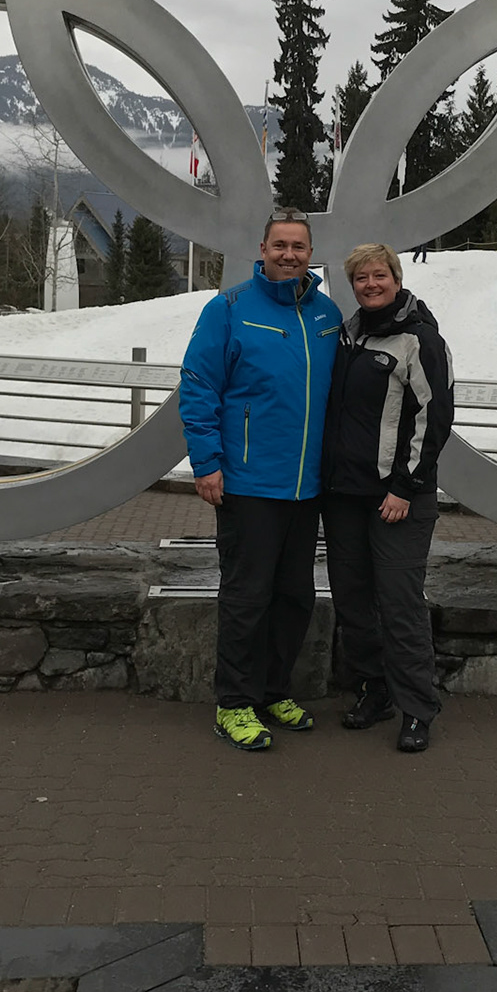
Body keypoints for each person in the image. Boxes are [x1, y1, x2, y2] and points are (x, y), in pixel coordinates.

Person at [180, 206, 343, 752]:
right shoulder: (228, 310)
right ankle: (234, 703)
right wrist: (207, 462)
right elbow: (198, 384)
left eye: (298, 247)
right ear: (263, 250)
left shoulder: (326, 314)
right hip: (249, 483)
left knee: (294, 597)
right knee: (247, 598)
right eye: (280, 245)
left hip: (307, 487)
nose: (289, 255)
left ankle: (273, 691)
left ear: (310, 253)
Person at [322, 243, 454, 753]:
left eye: (380, 275)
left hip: (398, 499)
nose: (371, 285)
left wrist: (404, 486)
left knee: (399, 604)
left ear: (397, 279)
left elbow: (434, 419)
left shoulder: (420, 340)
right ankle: (373, 690)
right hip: (345, 497)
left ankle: (417, 707)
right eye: (361, 278)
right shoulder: (348, 335)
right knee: (354, 602)